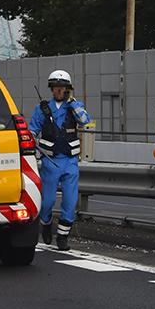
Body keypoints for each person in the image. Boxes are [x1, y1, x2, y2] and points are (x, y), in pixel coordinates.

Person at [27, 70, 90, 250]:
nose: (59, 91)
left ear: (68, 89)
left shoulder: (75, 106)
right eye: (56, 88)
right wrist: (29, 141)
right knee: (46, 202)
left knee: (70, 202)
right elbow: (33, 129)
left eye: (62, 88)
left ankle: (63, 236)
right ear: (51, 89)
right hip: (50, 162)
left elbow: (85, 120)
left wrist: (73, 104)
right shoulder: (42, 108)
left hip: (70, 162)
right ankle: (46, 223)